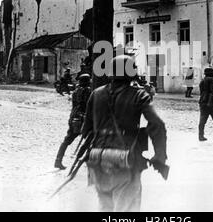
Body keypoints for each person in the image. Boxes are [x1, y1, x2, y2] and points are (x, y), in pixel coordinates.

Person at [81, 55, 167, 212]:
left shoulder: (96, 94)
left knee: (105, 208)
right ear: (131, 72)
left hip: (98, 159)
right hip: (125, 160)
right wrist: (160, 156)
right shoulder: (139, 95)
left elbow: (85, 130)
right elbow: (157, 125)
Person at [54, 74, 92, 170]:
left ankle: (58, 160)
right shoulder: (87, 91)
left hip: (73, 117)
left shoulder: (75, 91)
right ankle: (89, 163)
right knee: (90, 140)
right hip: (82, 118)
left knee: (67, 140)